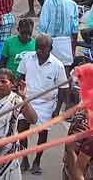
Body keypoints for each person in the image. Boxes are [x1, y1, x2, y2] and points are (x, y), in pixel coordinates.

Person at [16, 34, 68, 175]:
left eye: (43, 48)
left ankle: (37, 161)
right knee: (21, 129)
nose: (39, 50)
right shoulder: (27, 58)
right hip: (27, 99)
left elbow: (63, 89)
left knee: (42, 133)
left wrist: (57, 109)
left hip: (47, 103)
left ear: (50, 48)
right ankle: (24, 158)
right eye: (37, 47)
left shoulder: (57, 65)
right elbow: (19, 76)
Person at [37, 0, 79, 69]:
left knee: (48, 73)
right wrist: (72, 50)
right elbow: (75, 30)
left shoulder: (48, 2)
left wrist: (39, 45)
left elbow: (43, 26)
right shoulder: (73, 4)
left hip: (49, 43)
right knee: (64, 74)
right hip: (66, 44)